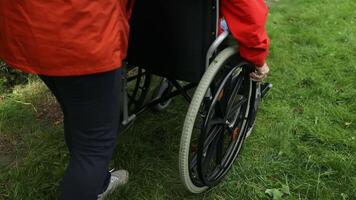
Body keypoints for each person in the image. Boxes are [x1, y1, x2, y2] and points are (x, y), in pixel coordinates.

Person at [0, 0, 270, 199]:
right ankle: (94, 183)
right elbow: (247, 11)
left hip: (28, 28)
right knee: (94, 146)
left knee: (78, 114)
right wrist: (258, 57)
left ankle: (95, 172)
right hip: (84, 34)